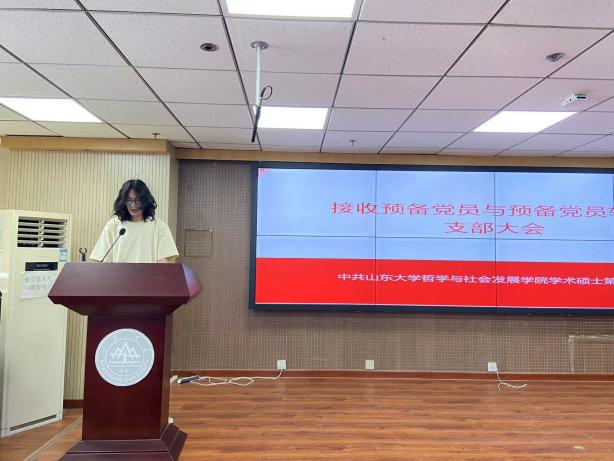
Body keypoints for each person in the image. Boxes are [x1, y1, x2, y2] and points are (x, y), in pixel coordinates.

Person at [90, 179, 178, 263]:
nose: (133, 205)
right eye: (129, 200)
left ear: (146, 201)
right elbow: (100, 258)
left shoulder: (159, 226)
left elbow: (167, 260)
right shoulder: (113, 225)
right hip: (120, 274)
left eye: (138, 200)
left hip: (149, 274)